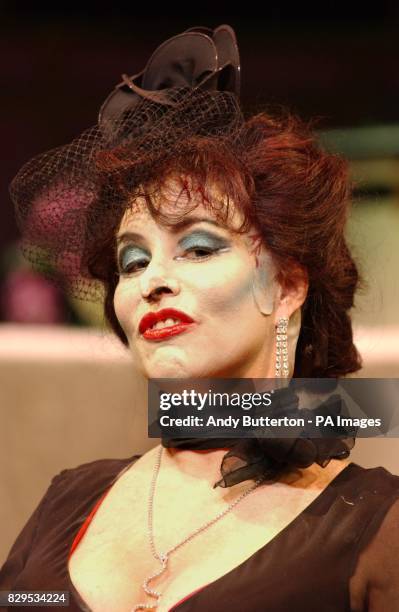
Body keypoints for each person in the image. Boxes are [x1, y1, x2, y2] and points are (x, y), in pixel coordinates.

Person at [1, 24, 399, 612]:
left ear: (287, 286)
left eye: (199, 248)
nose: (153, 280)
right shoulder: (70, 497)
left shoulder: (377, 525)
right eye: (132, 261)